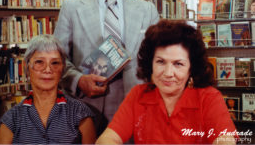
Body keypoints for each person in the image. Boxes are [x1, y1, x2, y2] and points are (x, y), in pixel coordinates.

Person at [54, 0, 159, 135]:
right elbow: (57, 60)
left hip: (136, 104)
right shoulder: (71, 8)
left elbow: (158, 59)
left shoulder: (147, 10)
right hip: (86, 107)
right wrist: (78, 81)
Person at [96, 20, 237, 145]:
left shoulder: (209, 98)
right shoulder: (138, 95)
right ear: (150, 63)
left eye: (178, 64)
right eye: (160, 62)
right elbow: (108, 138)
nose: (168, 73)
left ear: (191, 68)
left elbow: (225, 139)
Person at [0, 35, 96, 144]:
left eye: (55, 63)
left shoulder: (80, 113)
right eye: (39, 62)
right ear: (27, 68)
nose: (48, 70)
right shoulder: (11, 119)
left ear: (62, 69)